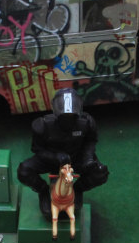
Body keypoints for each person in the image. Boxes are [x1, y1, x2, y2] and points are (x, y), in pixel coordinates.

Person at [17, 88, 109, 218]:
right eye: (65, 116)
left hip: (76, 158)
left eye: (72, 116)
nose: (68, 118)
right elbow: (37, 149)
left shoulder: (87, 123)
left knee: (100, 173)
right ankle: (43, 191)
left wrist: (88, 159)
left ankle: (77, 190)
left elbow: (90, 142)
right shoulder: (42, 125)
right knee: (24, 171)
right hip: (50, 159)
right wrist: (54, 156)